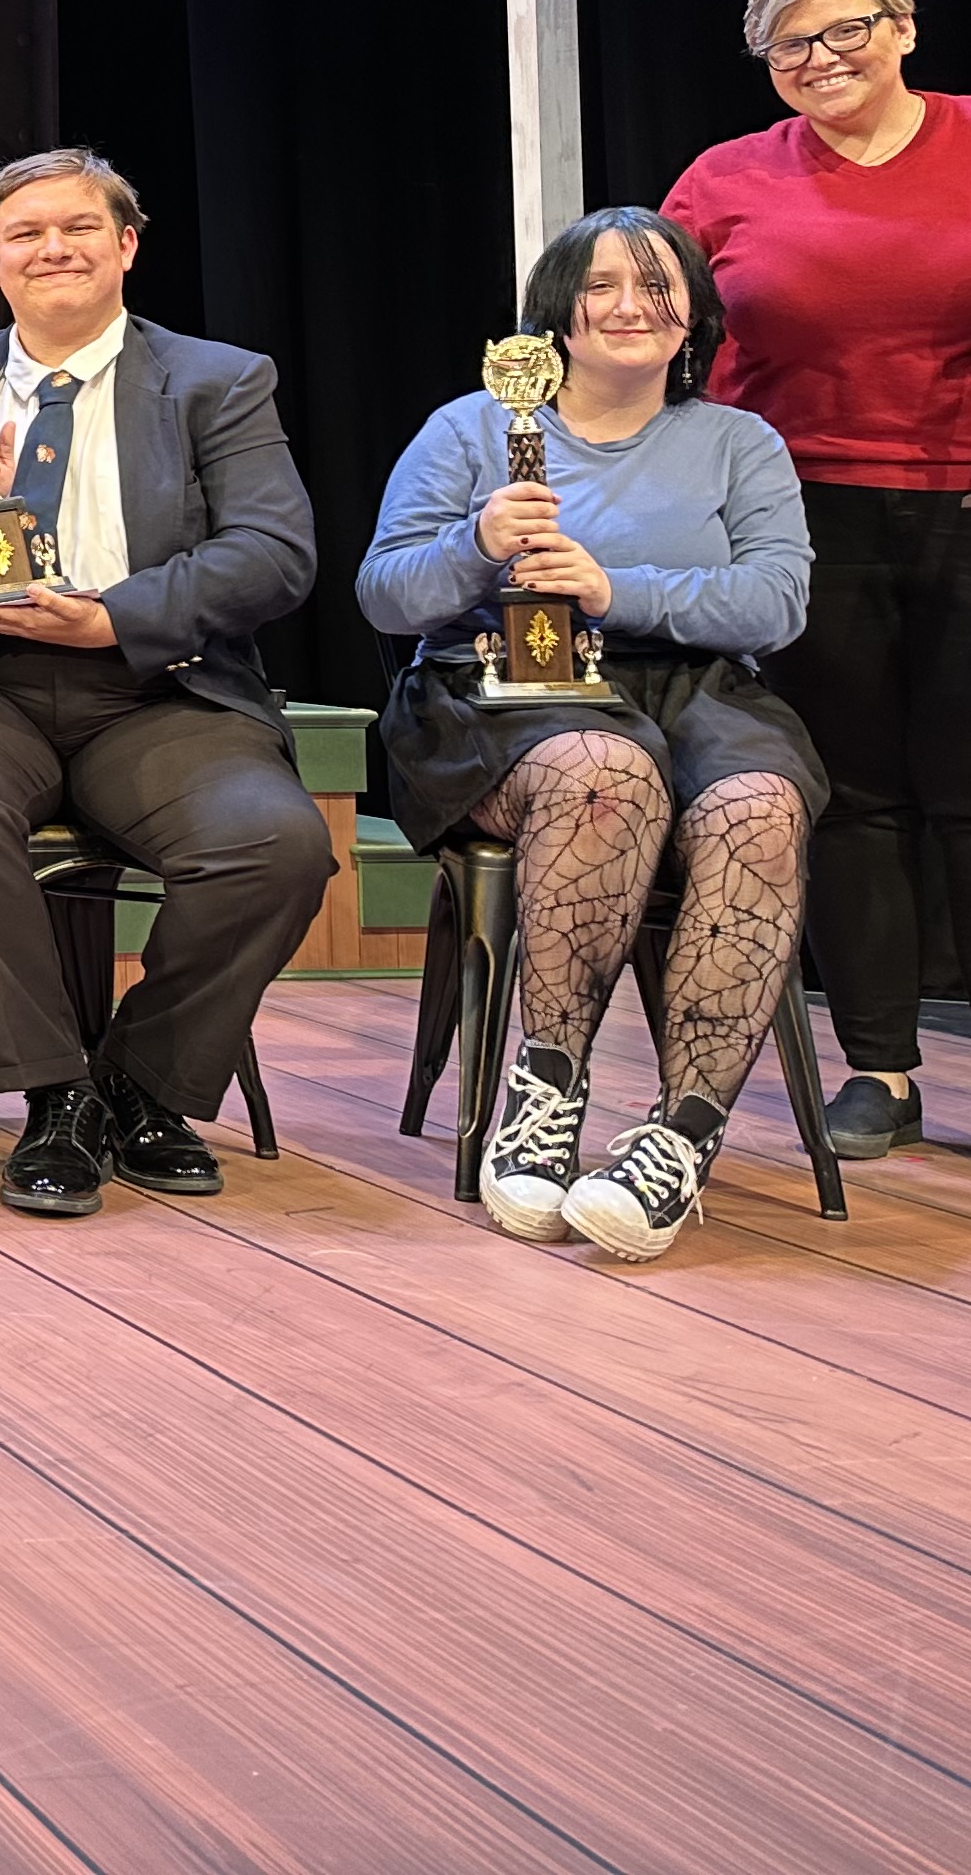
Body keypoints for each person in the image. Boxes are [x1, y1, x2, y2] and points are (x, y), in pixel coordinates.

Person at [665, 0, 971, 1189]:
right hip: (806, 519)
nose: (821, 59)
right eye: (790, 45)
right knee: (851, 798)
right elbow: (666, 328)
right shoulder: (726, 177)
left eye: (844, 30)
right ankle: (880, 1068)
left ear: (903, 25)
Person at [0, 149, 331, 1218]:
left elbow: (276, 553)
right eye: (25, 234)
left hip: (156, 686)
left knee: (278, 845)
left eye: (80, 227)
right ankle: (52, 1094)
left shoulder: (217, 380)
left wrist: (111, 616)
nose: (54, 248)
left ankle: (138, 1082)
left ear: (127, 245)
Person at [359, 207, 821, 1259]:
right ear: (554, 317)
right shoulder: (470, 429)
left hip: (694, 688)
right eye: (602, 285)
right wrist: (478, 546)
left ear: (695, 315)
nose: (630, 306)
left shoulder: (738, 442)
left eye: (658, 287)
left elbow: (777, 602)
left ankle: (681, 1134)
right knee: (604, 774)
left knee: (758, 808)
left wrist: (620, 588)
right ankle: (549, 1086)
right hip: (502, 685)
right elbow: (386, 594)